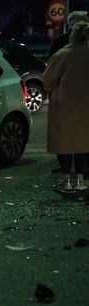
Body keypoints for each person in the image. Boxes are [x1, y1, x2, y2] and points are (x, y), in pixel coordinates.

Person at [42, 21, 89, 191]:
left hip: (64, 106)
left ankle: (67, 179)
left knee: (64, 142)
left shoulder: (62, 55)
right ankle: (81, 180)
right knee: (84, 141)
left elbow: (47, 82)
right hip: (86, 107)